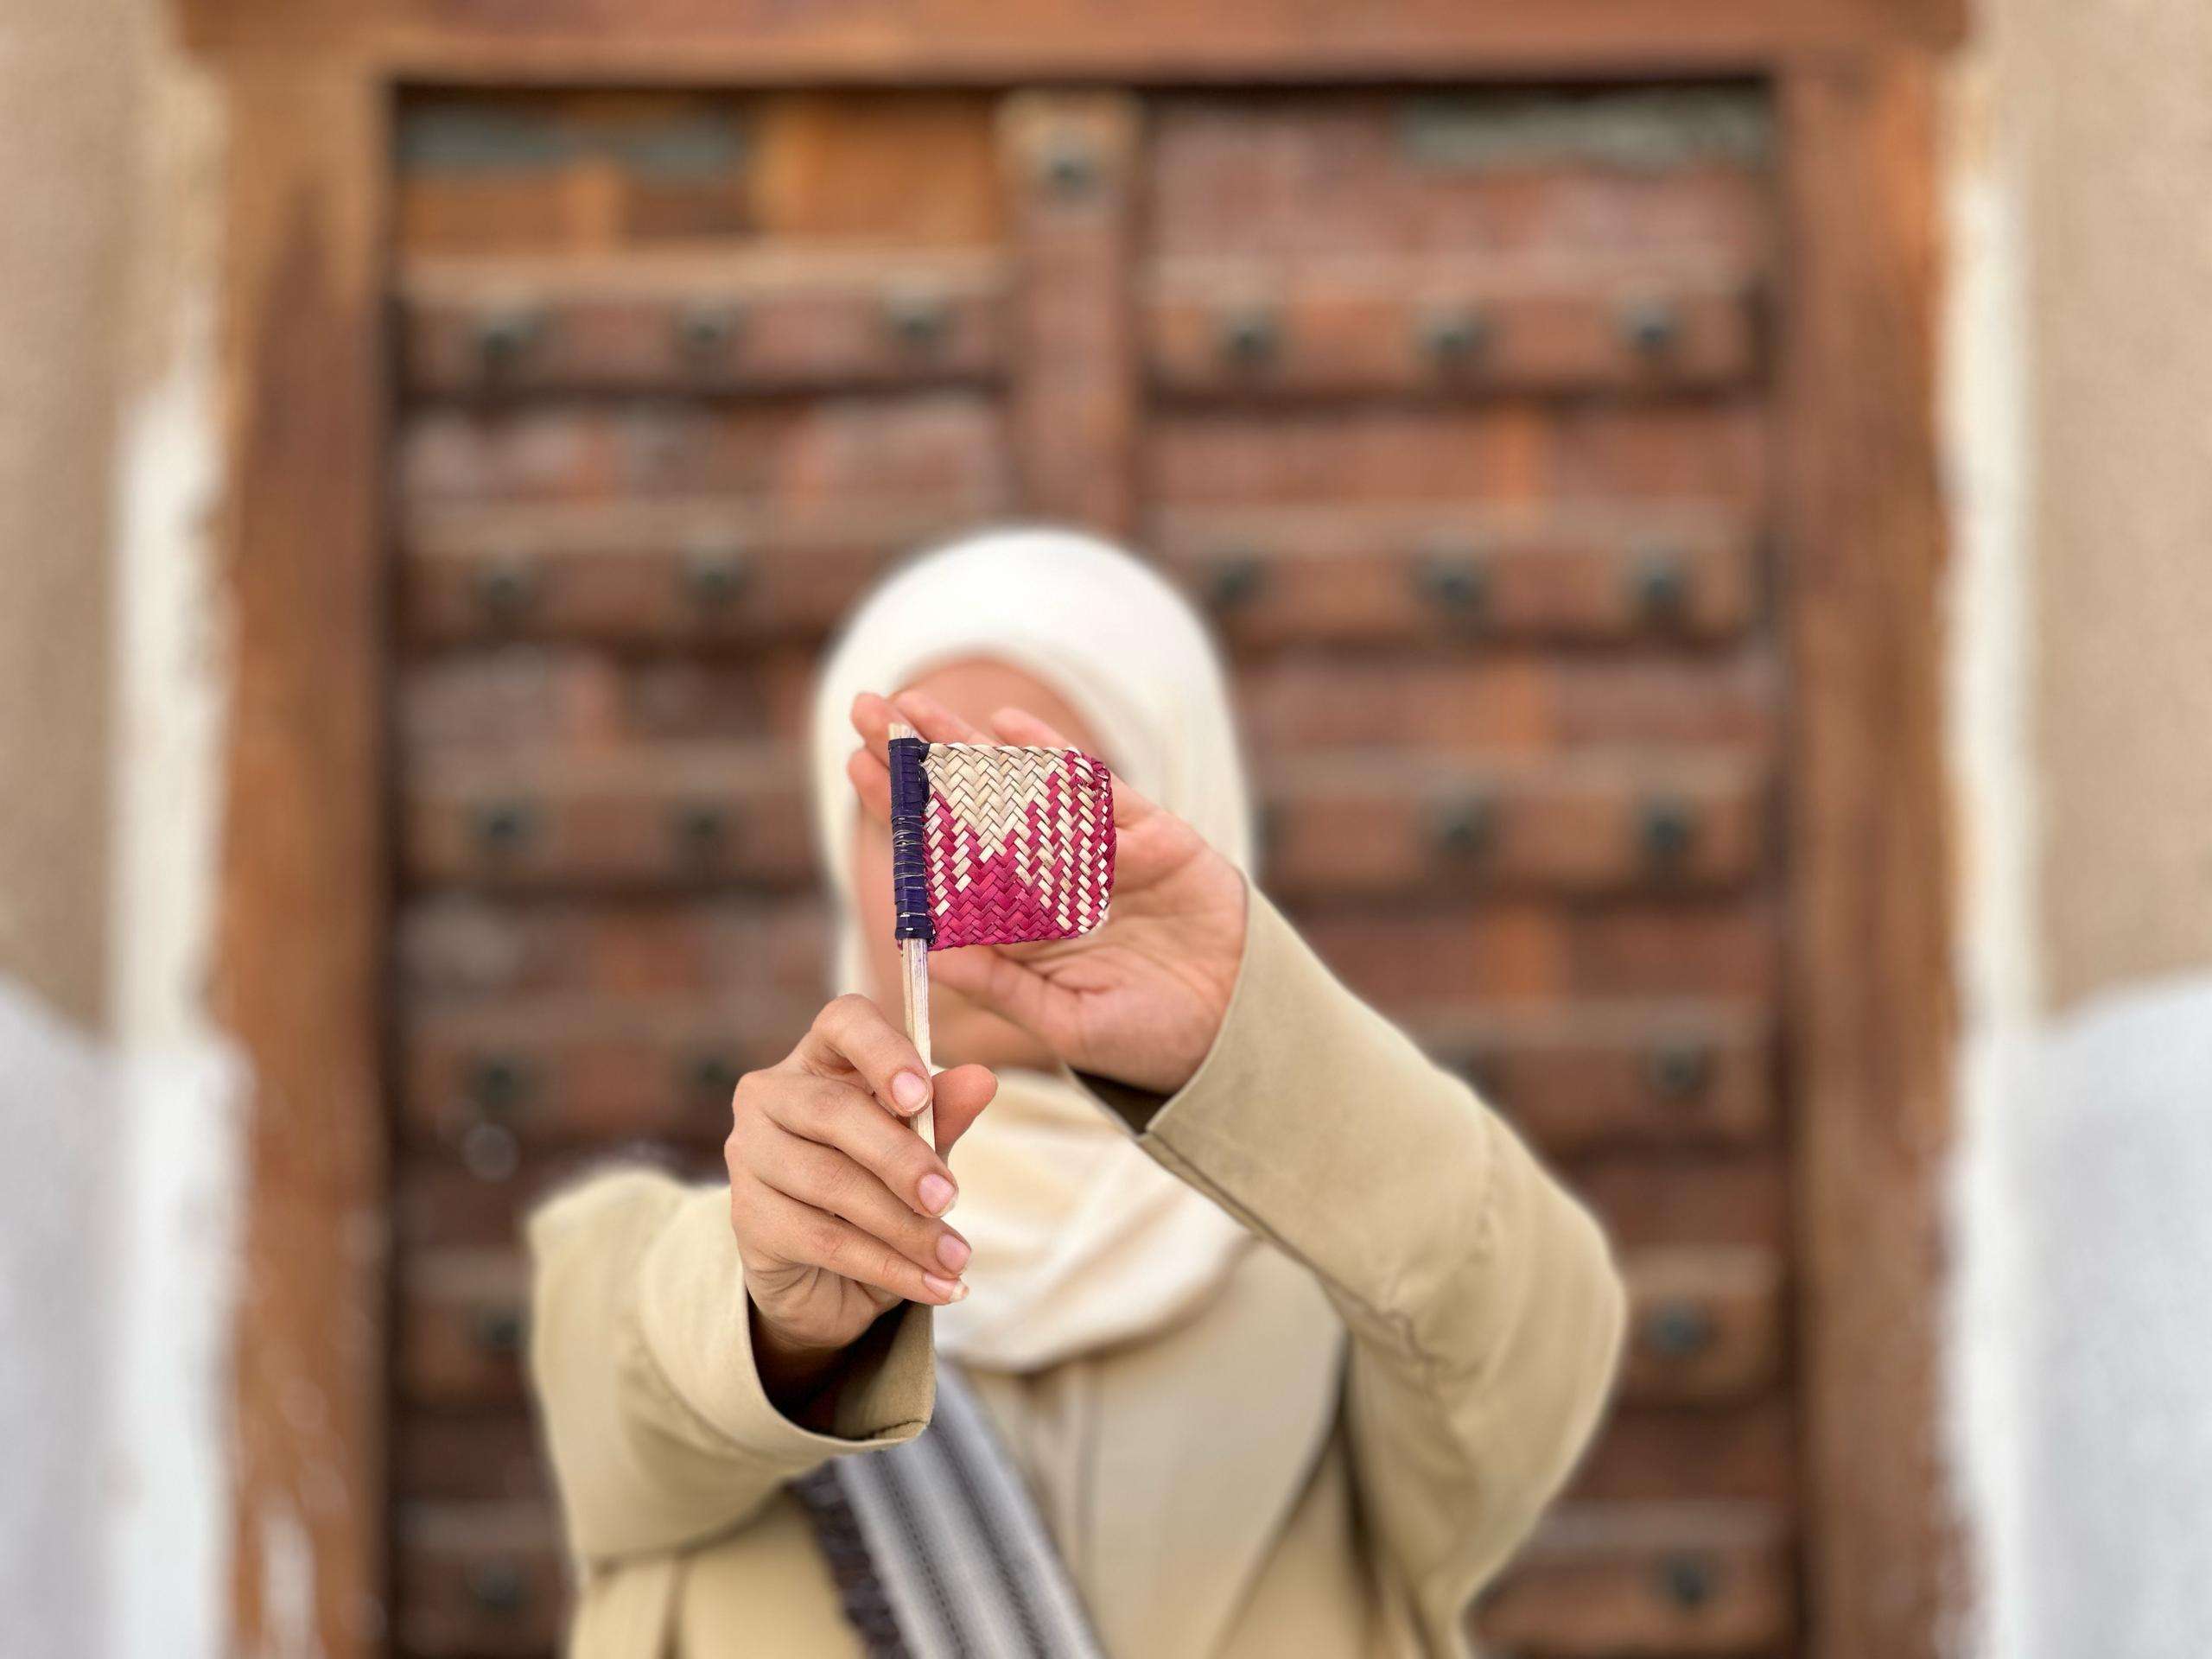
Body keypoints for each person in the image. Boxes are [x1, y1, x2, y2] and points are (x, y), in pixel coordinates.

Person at [526, 529, 1626, 1657]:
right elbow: (639, 1399)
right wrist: (781, 1326)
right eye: (907, 808)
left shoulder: (1353, 1295)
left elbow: (1531, 1333)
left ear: (1181, 810)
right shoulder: (652, 1265)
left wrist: (1253, 1029)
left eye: (1032, 799)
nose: (965, 865)